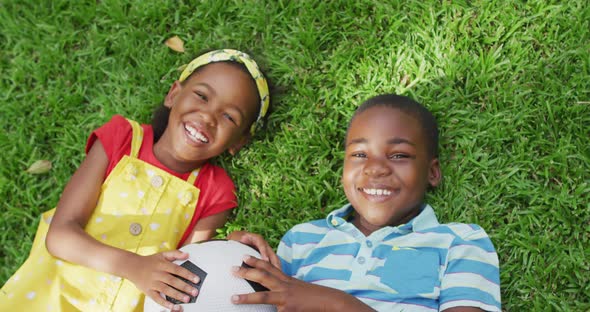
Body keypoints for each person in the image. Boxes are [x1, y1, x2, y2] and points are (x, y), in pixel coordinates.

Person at [0, 49, 271, 312]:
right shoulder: (122, 138)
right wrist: (133, 266)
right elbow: (60, 235)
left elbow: (192, 268)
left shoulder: (216, 190)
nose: (208, 117)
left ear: (239, 141)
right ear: (174, 94)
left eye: (229, 117)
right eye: (202, 96)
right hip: (48, 299)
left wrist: (231, 250)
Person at [230, 94, 501, 311]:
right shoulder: (302, 240)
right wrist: (236, 260)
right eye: (360, 154)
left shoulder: (459, 242)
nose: (375, 168)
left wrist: (337, 304)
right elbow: (270, 300)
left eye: (398, 155)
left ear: (432, 172)